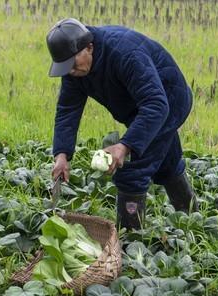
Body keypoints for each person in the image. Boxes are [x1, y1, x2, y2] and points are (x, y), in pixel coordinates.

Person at [46, 18, 197, 230]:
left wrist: (124, 145)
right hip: (140, 108)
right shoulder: (75, 69)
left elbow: (156, 104)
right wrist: (61, 154)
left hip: (169, 102)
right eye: (65, 67)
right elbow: (67, 111)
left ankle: (130, 242)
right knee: (166, 163)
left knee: (132, 170)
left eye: (72, 64)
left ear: (89, 47)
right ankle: (193, 217)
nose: (70, 72)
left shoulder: (124, 53)